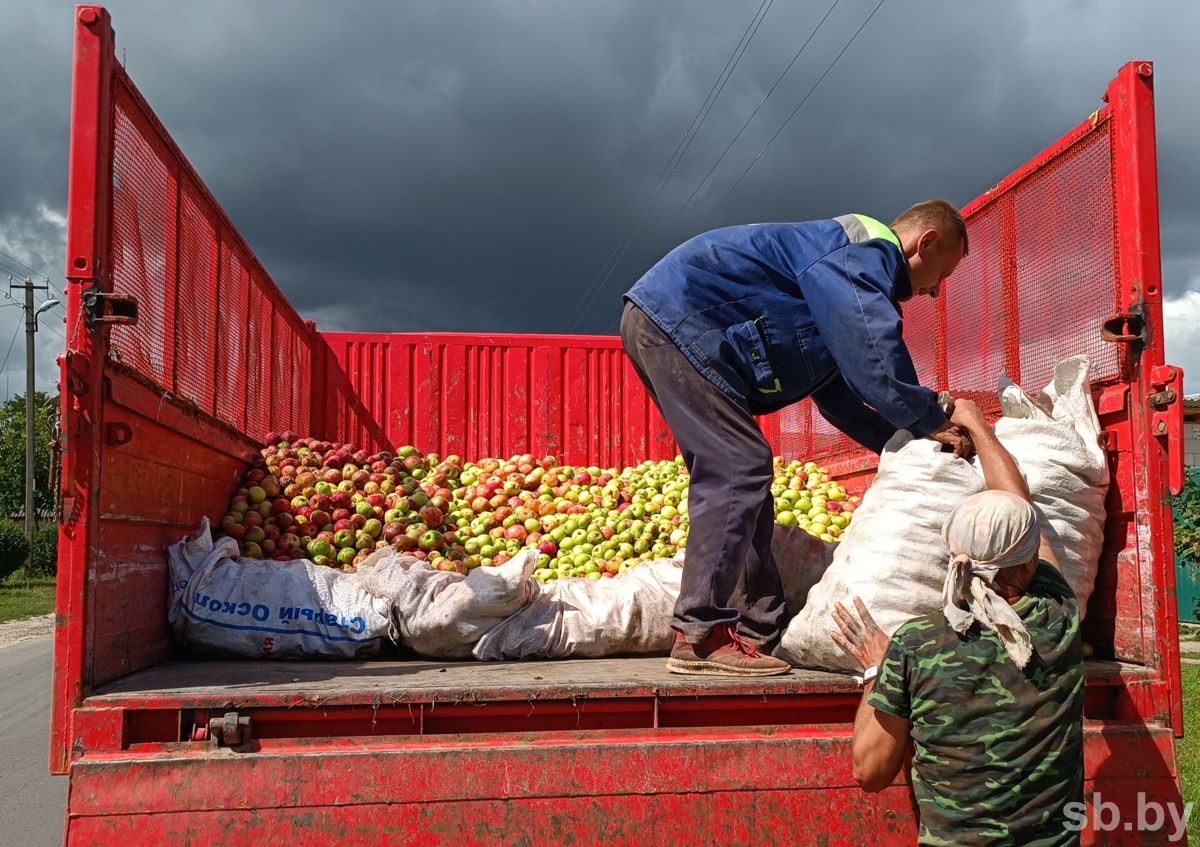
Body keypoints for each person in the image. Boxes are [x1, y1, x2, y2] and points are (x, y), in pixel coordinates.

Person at [621, 200, 971, 676]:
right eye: (943, 273)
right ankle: (700, 636)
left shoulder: (844, 285)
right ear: (924, 243)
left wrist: (908, 441)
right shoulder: (860, 254)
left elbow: (840, 398)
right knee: (739, 466)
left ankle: (759, 629)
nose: (934, 292)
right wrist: (928, 415)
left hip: (671, 320)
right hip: (683, 316)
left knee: (743, 480)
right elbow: (875, 355)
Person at [831, 398, 1084, 845]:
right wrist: (978, 424)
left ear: (952, 556)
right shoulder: (1057, 616)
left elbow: (870, 773)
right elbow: (1016, 502)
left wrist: (878, 669)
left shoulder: (916, 645)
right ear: (1028, 564)